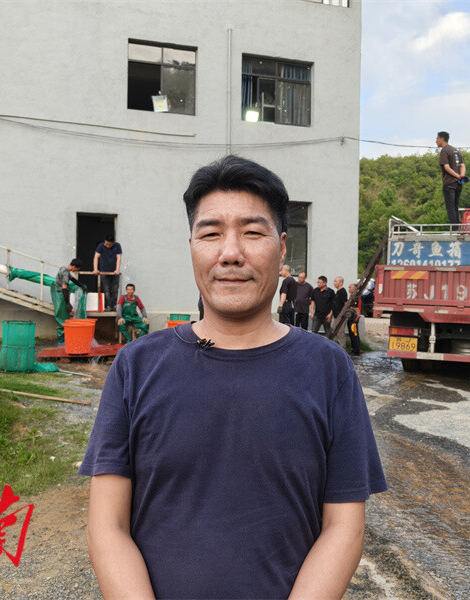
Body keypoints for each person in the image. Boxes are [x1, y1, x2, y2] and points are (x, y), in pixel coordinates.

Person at [80, 155, 386, 599]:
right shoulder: (136, 367)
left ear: (282, 248)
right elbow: (107, 526)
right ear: (191, 246)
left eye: (252, 232)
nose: (230, 253)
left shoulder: (328, 368)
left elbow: (344, 527)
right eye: (211, 234)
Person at [436, 131, 466, 225]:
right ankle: (457, 228)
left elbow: (447, 167)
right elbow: (462, 165)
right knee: (455, 206)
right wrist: (461, 176)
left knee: (450, 208)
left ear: (442, 139)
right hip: (459, 183)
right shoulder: (456, 150)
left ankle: (454, 229)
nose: (436, 141)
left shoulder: (444, 151)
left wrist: (458, 176)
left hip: (449, 183)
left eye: (437, 138)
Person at [93, 234, 122, 311]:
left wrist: (117, 269)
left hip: (114, 272)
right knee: (106, 289)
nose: (107, 246)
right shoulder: (101, 246)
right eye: (106, 244)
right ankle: (108, 306)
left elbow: (118, 258)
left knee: (115, 289)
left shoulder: (117, 246)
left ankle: (114, 305)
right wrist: (95, 269)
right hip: (104, 271)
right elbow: (96, 257)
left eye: (109, 244)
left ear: (113, 243)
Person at [331, 276, 348, 348]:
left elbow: (345, 304)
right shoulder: (338, 292)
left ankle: (343, 349)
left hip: (340, 317)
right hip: (336, 316)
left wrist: (342, 315)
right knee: (336, 332)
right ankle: (339, 348)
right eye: (334, 281)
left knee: (340, 333)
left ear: (341, 283)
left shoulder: (342, 292)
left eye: (336, 281)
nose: (334, 283)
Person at [346, 283, 362, 356]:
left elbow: (358, 309)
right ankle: (354, 349)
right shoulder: (352, 296)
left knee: (354, 334)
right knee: (351, 334)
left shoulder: (357, 297)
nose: (349, 288)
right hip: (351, 318)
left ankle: (356, 350)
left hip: (354, 318)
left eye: (350, 287)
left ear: (355, 288)